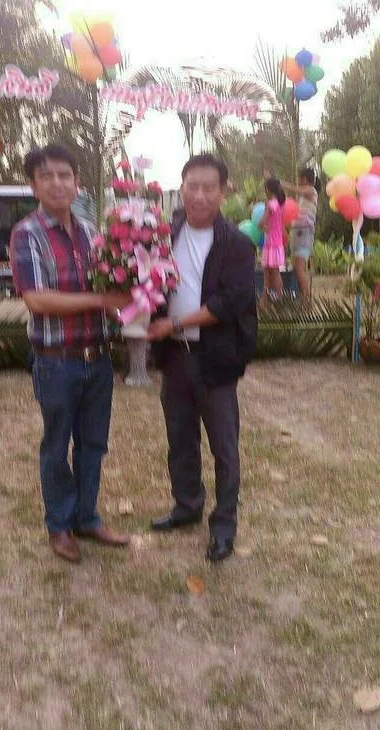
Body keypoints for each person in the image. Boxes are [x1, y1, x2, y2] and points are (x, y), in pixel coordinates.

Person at [10, 143, 129, 563]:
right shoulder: (27, 234)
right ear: (33, 185)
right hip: (56, 362)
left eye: (65, 175)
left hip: (97, 358)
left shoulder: (92, 232)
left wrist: (132, 305)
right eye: (46, 176)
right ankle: (59, 526)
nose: (57, 183)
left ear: (78, 183)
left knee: (93, 444)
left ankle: (87, 517)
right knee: (57, 446)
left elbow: (110, 290)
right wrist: (102, 300)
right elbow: (37, 299)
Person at [148, 154, 257, 562]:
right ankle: (187, 505)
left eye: (209, 187)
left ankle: (224, 525)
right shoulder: (165, 233)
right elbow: (146, 280)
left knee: (224, 448)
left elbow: (230, 302)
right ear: (181, 187)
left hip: (215, 359)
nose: (199, 195)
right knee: (180, 439)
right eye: (192, 186)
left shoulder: (237, 244)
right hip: (174, 357)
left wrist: (174, 323)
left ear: (223, 191)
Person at [281, 168, 319, 301]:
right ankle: (303, 298)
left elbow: (295, 189)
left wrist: (282, 184)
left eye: (300, 178)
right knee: (297, 268)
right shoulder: (304, 195)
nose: (299, 181)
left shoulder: (311, 190)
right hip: (298, 233)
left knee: (300, 268)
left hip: (304, 233)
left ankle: (306, 300)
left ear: (305, 179)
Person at [259, 178, 286, 308]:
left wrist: (265, 228)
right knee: (275, 273)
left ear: (268, 189)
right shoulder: (280, 204)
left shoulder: (270, 204)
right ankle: (276, 300)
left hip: (270, 244)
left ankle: (265, 301)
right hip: (277, 243)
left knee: (268, 275)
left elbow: (261, 223)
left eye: (265, 188)